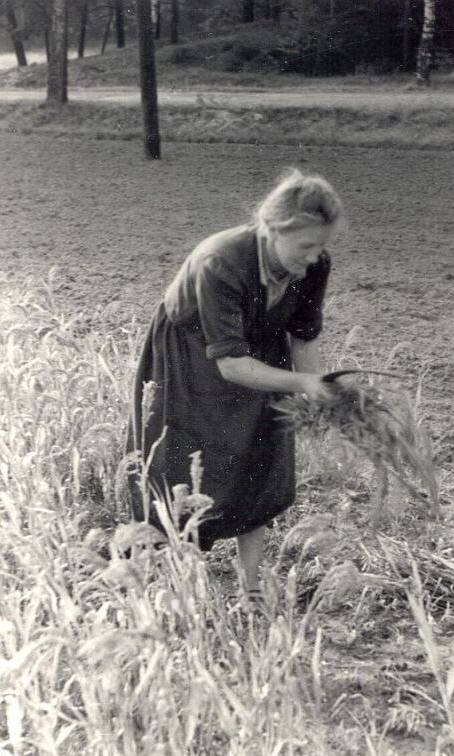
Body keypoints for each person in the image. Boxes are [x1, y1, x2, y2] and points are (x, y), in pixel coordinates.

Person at [126, 168, 342, 606]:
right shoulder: (220, 262)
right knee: (184, 463)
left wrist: (318, 393)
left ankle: (252, 589)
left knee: (260, 457)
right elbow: (231, 364)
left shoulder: (313, 264)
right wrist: (303, 382)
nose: (315, 256)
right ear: (272, 229)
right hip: (191, 351)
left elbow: (302, 335)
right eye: (306, 245)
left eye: (323, 245)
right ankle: (172, 583)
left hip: (261, 343)